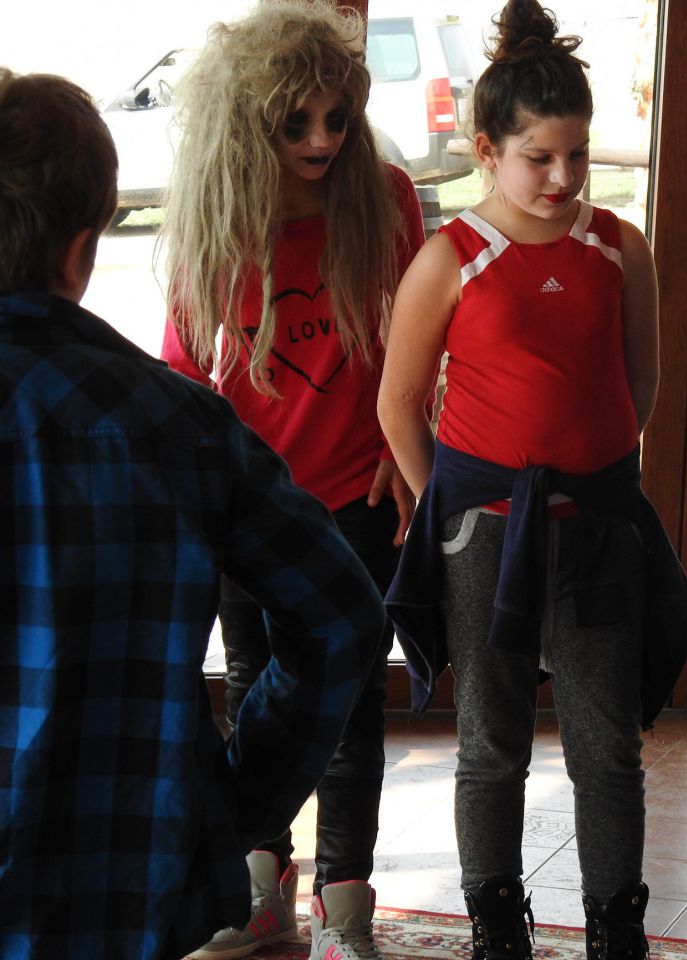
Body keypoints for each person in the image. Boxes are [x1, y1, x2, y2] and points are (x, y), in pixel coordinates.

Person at [0, 69, 383, 960]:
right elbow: (342, 616)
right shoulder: (180, 424)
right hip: (127, 881)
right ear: (81, 250)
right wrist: (232, 805)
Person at [377, 2, 687, 959]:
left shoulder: (618, 247)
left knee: (608, 746)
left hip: (598, 527)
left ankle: (615, 928)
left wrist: (598, 472)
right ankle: (496, 927)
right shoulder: (451, 258)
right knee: (492, 745)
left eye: (578, 154)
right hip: (485, 535)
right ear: (487, 150)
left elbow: (639, 383)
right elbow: (400, 403)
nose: (563, 177)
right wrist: (453, 510)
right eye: (539, 158)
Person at [158, 1, 425, 956]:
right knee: (254, 691)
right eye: (295, 123)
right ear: (247, 124)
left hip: (357, 497)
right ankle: (260, 885)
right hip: (248, 504)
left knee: (351, 704)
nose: (321, 141)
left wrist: (404, 446)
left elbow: (421, 339)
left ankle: (346, 905)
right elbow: (183, 372)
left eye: (337, 118)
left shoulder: (386, 197)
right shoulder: (216, 216)